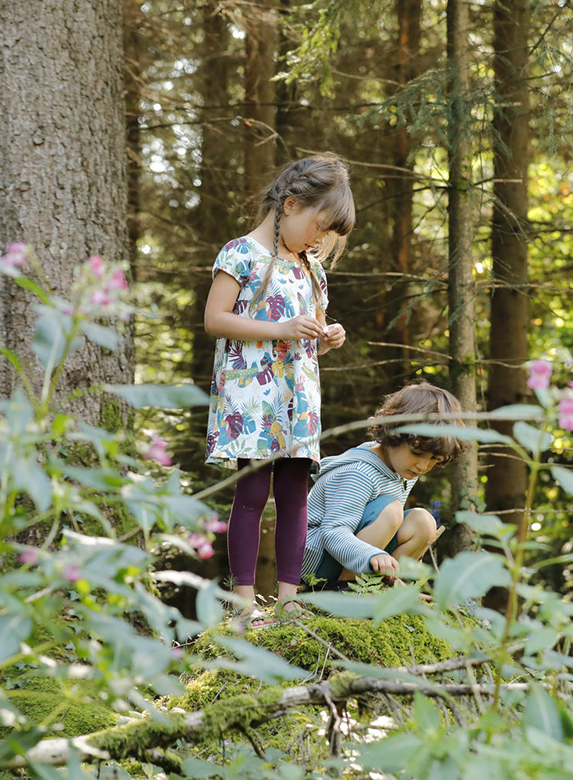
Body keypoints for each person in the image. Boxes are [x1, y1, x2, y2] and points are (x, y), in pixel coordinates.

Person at [203, 153, 353, 627]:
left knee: (295, 496)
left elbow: (311, 333)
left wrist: (328, 338)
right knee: (251, 494)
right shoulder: (241, 253)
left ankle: (289, 603)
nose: (320, 239)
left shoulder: (312, 268)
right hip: (251, 398)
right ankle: (245, 604)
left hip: (299, 398)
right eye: (318, 226)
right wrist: (282, 327)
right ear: (290, 204)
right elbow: (215, 320)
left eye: (328, 233)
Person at [302, 383, 466, 589]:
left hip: (353, 555)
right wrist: (373, 554)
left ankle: (378, 587)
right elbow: (333, 532)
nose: (423, 465)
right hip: (317, 560)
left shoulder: (404, 470)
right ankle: (343, 591)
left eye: (434, 458)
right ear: (394, 433)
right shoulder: (359, 472)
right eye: (416, 453)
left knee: (423, 522)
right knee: (391, 511)